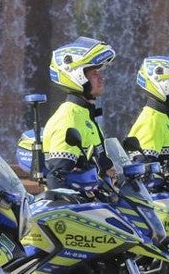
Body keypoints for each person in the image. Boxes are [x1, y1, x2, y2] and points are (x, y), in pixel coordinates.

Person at [42, 37, 116, 186]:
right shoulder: (68, 119)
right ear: (77, 76)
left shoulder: (84, 114)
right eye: (95, 73)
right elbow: (58, 180)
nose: (101, 78)